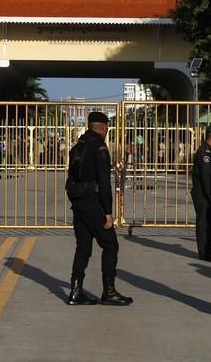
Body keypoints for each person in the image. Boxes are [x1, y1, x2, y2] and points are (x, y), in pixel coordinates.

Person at [66, 111, 132, 306]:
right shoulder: (100, 148)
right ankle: (109, 291)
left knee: (83, 247)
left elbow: (71, 178)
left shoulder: (78, 147)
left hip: (78, 202)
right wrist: (108, 212)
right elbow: (104, 184)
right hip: (94, 203)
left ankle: (75, 291)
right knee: (110, 245)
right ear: (103, 128)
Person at [191, 124, 211, 261]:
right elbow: (206, 178)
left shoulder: (210, 150)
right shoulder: (205, 153)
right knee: (204, 224)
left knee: (210, 222)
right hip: (203, 193)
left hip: (206, 192)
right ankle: (205, 253)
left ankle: (208, 250)